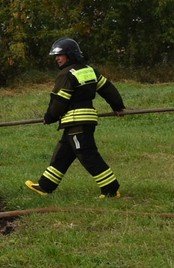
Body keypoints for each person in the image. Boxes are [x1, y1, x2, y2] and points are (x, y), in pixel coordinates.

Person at [26, 38, 124, 198]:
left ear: (70, 55)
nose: (57, 58)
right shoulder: (89, 70)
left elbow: (59, 101)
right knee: (63, 154)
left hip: (75, 121)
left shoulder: (66, 74)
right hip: (84, 120)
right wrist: (117, 106)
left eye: (60, 55)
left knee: (87, 154)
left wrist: (49, 117)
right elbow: (108, 89)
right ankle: (45, 186)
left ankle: (111, 190)